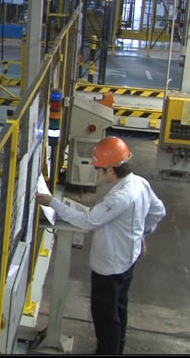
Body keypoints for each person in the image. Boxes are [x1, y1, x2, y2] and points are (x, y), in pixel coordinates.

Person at [35, 136, 166, 355]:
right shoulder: (139, 183)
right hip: (128, 260)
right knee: (119, 309)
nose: (97, 173)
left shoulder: (120, 197)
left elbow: (89, 221)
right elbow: (158, 211)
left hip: (110, 267)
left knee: (105, 318)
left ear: (111, 170)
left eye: (99, 169)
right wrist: (141, 235)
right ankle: (117, 349)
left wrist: (52, 202)